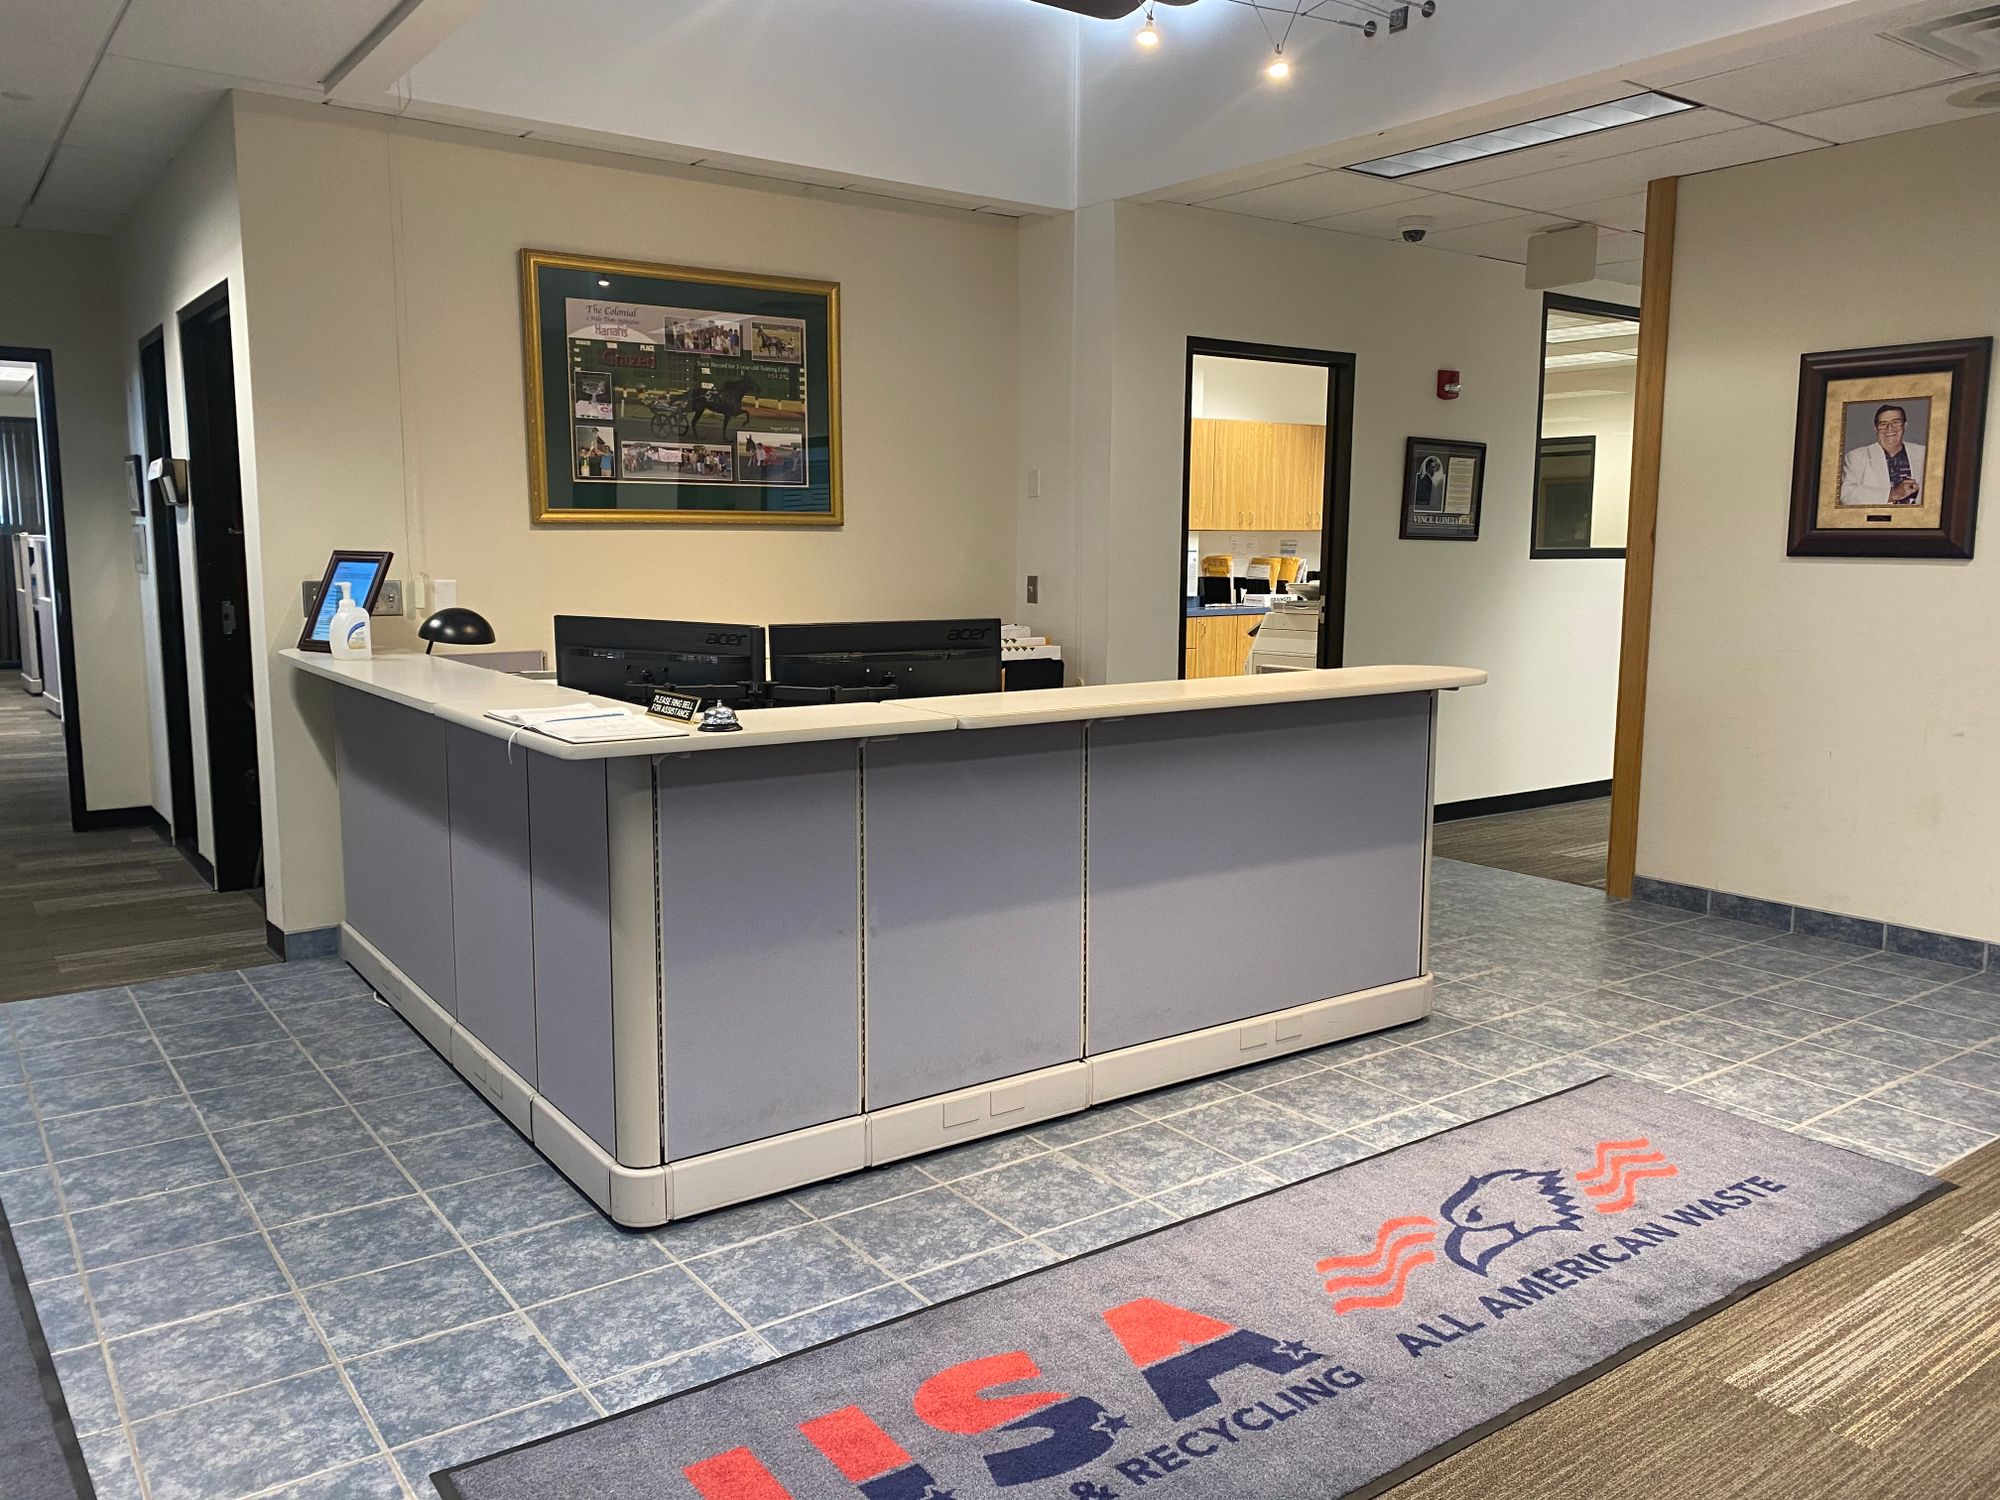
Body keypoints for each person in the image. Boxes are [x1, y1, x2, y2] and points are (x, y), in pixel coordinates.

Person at [1839, 404, 1924, 506]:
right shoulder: (1856, 457)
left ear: (1904, 425)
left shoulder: (1923, 453)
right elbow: (1847, 495)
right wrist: (1891, 494)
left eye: (1895, 422)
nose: (1890, 428)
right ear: (1876, 429)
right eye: (1883, 424)